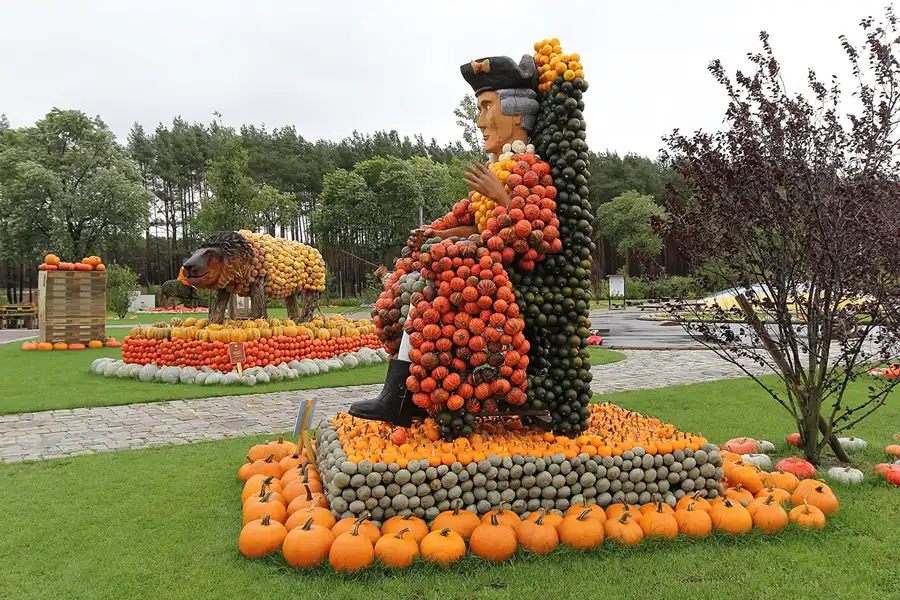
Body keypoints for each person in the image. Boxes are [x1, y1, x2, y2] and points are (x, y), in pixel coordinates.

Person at [349, 54, 546, 427]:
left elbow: (534, 235)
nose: (480, 121)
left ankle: (403, 397)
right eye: (479, 108)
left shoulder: (530, 169)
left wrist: (503, 197)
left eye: (488, 107)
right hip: (477, 269)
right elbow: (472, 222)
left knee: (433, 290)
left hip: (504, 277)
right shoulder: (495, 169)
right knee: (406, 282)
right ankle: (408, 389)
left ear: (518, 115)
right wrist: (438, 233)